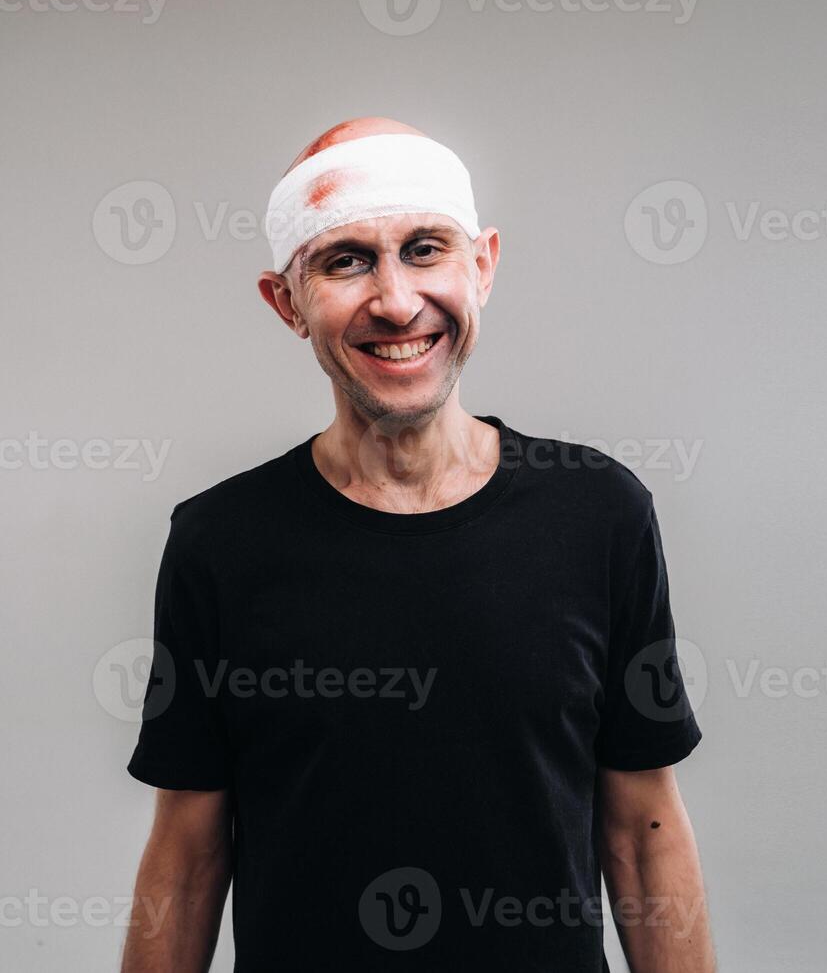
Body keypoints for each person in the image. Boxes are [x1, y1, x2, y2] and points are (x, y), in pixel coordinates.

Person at [119, 117, 715, 972]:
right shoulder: (221, 541)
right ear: (286, 302)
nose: (397, 302)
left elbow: (643, 826)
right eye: (346, 260)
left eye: (427, 249)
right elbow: (187, 850)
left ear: (484, 265)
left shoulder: (600, 515)